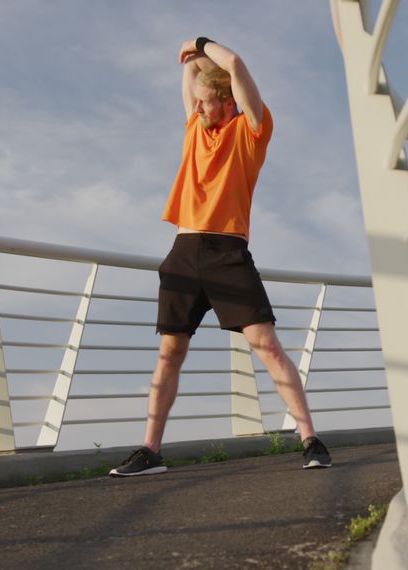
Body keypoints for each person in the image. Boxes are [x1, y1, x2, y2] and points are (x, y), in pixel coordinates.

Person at [111, 37, 332, 477]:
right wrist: (192, 61)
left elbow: (236, 64)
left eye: (208, 103)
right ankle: (150, 451)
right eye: (197, 103)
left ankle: (310, 439)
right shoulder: (195, 127)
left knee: (266, 345)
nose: (198, 109)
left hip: (228, 253)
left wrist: (201, 43)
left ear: (229, 103)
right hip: (184, 252)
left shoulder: (251, 132)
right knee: (169, 353)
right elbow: (192, 78)